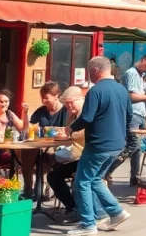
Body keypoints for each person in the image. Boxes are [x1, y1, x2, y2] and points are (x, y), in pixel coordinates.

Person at [68, 56, 132, 235]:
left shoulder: (95, 91)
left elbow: (87, 118)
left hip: (98, 144)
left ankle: (88, 224)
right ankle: (116, 212)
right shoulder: (121, 89)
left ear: (95, 70)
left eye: (90, 72)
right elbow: (129, 116)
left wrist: (70, 128)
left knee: (82, 182)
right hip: (117, 144)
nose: (89, 75)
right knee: (95, 179)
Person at [113, 54, 146, 186]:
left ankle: (135, 176)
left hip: (140, 114)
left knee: (137, 148)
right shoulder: (131, 73)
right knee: (132, 145)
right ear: (143, 60)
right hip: (133, 114)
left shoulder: (140, 75)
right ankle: (108, 170)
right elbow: (132, 97)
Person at [21, 81, 69, 197]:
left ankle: (45, 184)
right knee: (26, 153)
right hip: (41, 146)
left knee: (48, 154)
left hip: (61, 147)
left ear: (56, 95)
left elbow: (65, 131)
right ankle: (28, 188)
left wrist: (44, 131)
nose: (43, 101)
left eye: (46, 98)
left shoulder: (65, 111)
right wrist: (25, 114)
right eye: (42, 98)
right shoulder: (41, 111)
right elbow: (29, 128)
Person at [48, 86, 86, 224]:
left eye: (71, 102)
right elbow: (67, 132)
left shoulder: (86, 114)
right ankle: (72, 208)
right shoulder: (72, 115)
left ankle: (76, 210)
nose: (68, 106)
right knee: (53, 173)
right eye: (66, 103)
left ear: (81, 99)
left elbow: (80, 134)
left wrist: (68, 134)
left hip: (85, 156)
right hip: (75, 154)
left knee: (55, 168)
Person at [0, 89, 26, 169]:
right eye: (1, 102)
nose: (4, 104)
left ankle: (27, 176)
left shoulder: (9, 114)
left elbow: (23, 129)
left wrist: (25, 113)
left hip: (8, 153)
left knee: (26, 154)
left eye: (6, 101)